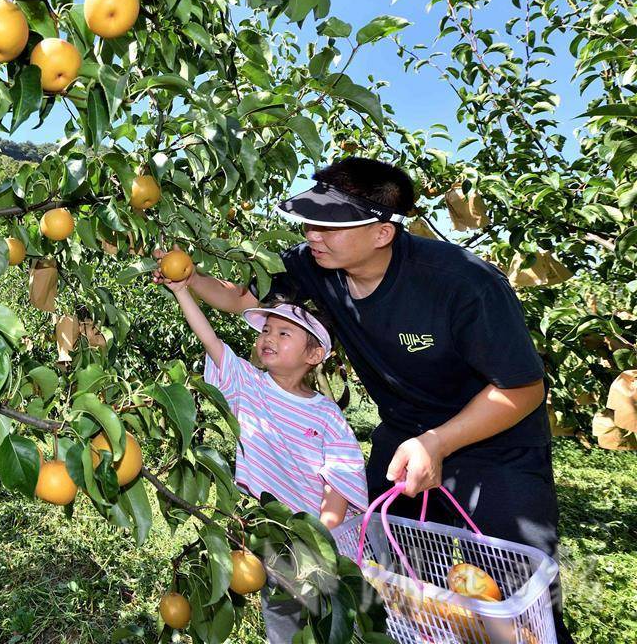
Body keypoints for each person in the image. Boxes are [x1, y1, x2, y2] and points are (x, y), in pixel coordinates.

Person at [170, 157, 571, 644]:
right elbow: (240, 298)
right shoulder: (315, 265)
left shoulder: (462, 283)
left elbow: (523, 388)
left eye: (331, 226)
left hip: (495, 446)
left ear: (382, 233)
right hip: (404, 436)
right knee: (405, 584)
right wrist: (187, 278)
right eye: (311, 221)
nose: (313, 233)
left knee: (515, 596)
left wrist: (439, 441)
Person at [159, 272, 367, 643]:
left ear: (314, 354)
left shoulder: (326, 416)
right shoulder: (248, 385)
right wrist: (181, 291)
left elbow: (338, 482)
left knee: (341, 625)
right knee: (285, 620)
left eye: (283, 333)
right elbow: (211, 340)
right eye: (266, 330)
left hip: (330, 541)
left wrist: (323, 544)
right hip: (275, 537)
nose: (268, 337)